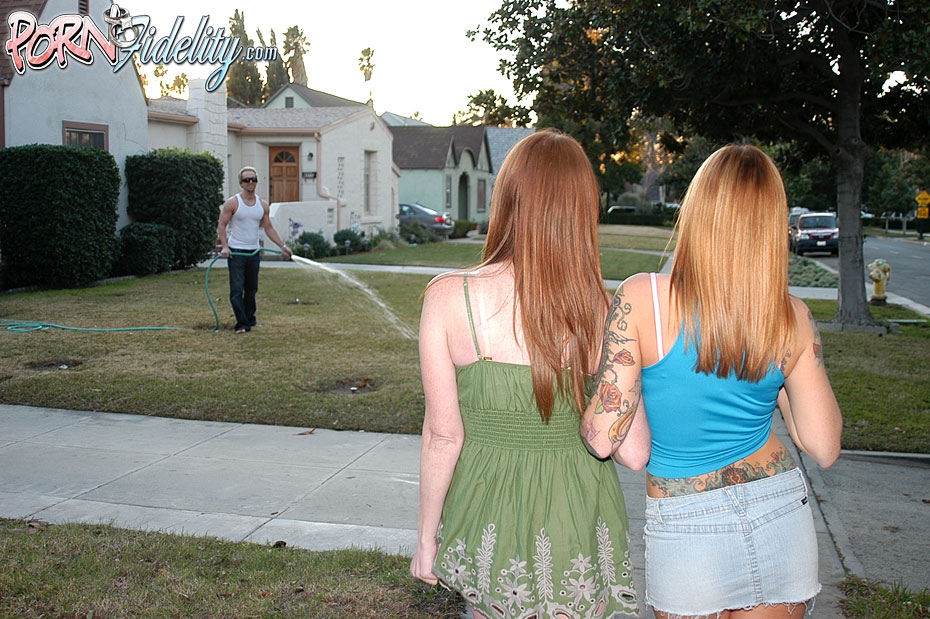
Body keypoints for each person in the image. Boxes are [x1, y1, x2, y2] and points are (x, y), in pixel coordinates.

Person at [581, 144, 843, 619]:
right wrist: (778, 378)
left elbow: (602, 437)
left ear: (697, 210)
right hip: (778, 511)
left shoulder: (642, 298)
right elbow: (822, 446)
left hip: (686, 521)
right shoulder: (791, 316)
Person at [410, 129, 649, 619]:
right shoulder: (604, 311)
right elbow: (633, 451)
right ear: (582, 210)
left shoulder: (448, 297)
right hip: (576, 520)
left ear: (507, 198)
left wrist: (425, 539)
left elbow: (443, 436)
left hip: (485, 517)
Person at [217, 166, 292, 334]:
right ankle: (242, 324)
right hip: (236, 252)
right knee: (237, 290)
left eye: (253, 179)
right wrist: (225, 246)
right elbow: (222, 225)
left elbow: (268, 228)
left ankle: (250, 319)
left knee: (251, 289)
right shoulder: (233, 203)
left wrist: (282, 246)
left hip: (253, 253)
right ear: (241, 183)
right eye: (247, 180)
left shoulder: (262, 205)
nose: (250, 182)